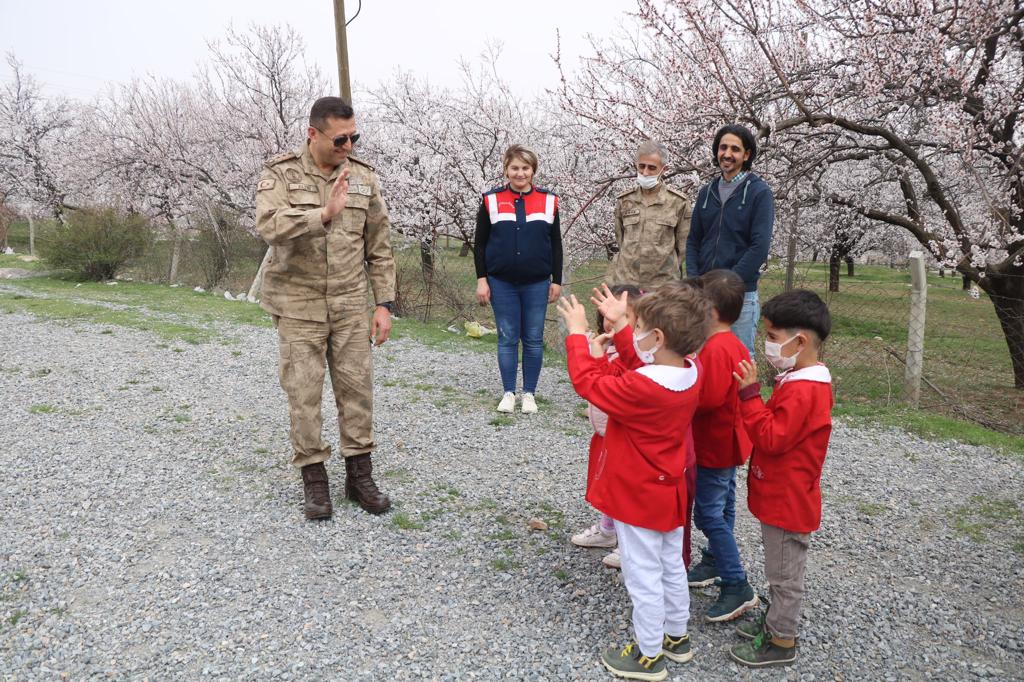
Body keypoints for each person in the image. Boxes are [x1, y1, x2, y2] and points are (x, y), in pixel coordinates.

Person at [558, 282, 710, 681]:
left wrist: (577, 336)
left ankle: (648, 655)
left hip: (639, 495)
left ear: (657, 337)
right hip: (669, 490)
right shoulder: (690, 371)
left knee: (641, 575)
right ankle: (677, 637)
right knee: (670, 566)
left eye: (639, 326)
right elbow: (644, 360)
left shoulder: (643, 387)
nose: (634, 332)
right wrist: (625, 324)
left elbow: (589, 384)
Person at [255, 96, 394, 520]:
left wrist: (384, 302)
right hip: (298, 303)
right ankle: (314, 477)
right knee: (304, 394)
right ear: (313, 133)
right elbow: (268, 226)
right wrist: (323, 214)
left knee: (357, 391)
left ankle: (359, 474)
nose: (348, 146)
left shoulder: (364, 178)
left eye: (354, 137)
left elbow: (380, 246)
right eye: (339, 139)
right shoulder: (281, 174)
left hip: (351, 303)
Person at [729, 289, 834, 668]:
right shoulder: (798, 377)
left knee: (785, 574)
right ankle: (776, 621)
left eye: (772, 338)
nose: (768, 346)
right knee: (779, 568)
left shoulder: (806, 388)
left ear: (800, 340)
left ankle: (782, 640)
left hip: (789, 501)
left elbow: (772, 438)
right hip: (782, 493)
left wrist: (750, 395)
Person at [685, 270, 757, 622]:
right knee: (724, 506)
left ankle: (736, 582)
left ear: (710, 310)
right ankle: (715, 559)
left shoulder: (715, 349)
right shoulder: (735, 342)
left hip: (713, 445)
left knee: (708, 514)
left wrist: (680, 391)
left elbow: (707, 399)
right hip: (729, 442)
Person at [474, 145, 563, 414]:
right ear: (506, 170)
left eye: (525, 168)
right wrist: (482, 279)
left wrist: (556, 280)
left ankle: (530, 394)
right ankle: (508, 392)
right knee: (508, 338)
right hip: (501, 282)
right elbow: (480, 244)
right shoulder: (490, 200)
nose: (520, 173)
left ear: (533, 170)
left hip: (537, 282)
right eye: (515, 168)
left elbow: (556, 244)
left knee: (533, 338)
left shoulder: (550, 201)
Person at [569, 284, 642, 571]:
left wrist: (580, 344)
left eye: (620, 316)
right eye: (606, 315)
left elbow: (593, 382)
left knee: (624, 489)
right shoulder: (608, 345)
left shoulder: (639, 354)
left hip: (623, 433)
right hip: (604, 430)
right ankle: (608, 528)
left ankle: (630, 544)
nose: (610, 321)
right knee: (606, 482)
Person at [685, 124, 775, 356]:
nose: (727, 154)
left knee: (738, 360)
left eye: (735, 149)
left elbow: (759, 247)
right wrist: (695, 281)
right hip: (703, 293)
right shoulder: (706, 192)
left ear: (746, 155)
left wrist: (728, 284)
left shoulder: (759, 192)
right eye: (723, 147)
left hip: (740, 296)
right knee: (701, 358)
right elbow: (694, 240)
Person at [606, 141, 692, 290]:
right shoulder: (624, 201)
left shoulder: (678, 202)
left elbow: (683, 247)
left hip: (662, 286)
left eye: (652, 168)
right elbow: (621, 239)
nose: (645, 172)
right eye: (642, 166)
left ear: (664, 169)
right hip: (626, 283)